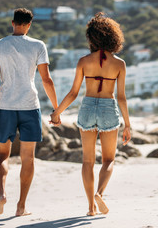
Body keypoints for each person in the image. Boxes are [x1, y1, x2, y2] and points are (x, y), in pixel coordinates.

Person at [50, 12, 131, 216]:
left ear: (91, 37)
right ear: (114, 37)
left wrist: (56, 113)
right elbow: (121, 97)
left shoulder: (83, 61)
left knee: (87, 161)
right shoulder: (119, 64)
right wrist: (127, 124)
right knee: (108, 160)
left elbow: (74, 93)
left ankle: (90, 208)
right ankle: (100, 194)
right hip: (108, 107)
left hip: (87, 107)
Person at [0, 8, 60, 216]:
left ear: (12, 23)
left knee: (1, 155)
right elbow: (46, 79)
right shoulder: (38, 45)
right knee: (28, 158)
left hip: (6, 107)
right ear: (29, 25)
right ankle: (21, 206)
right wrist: (56, 109)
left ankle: (1, 194)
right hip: (29, 106)